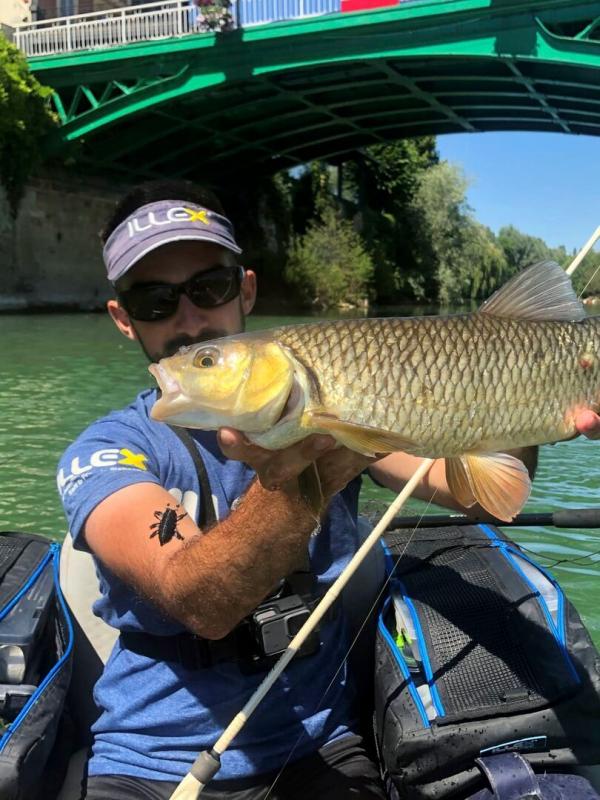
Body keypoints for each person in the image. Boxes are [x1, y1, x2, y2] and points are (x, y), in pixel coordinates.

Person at [57, 178, 600, 800]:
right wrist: (304, 476)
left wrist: (521, 400)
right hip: (147, 763)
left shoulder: (339, 391)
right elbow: (199, 601)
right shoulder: (108, 450)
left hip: (322, 747)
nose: (189, 320)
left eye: (209, 288)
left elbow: (477, 494)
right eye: (155, 301)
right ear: (124, 320)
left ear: (247, 290)